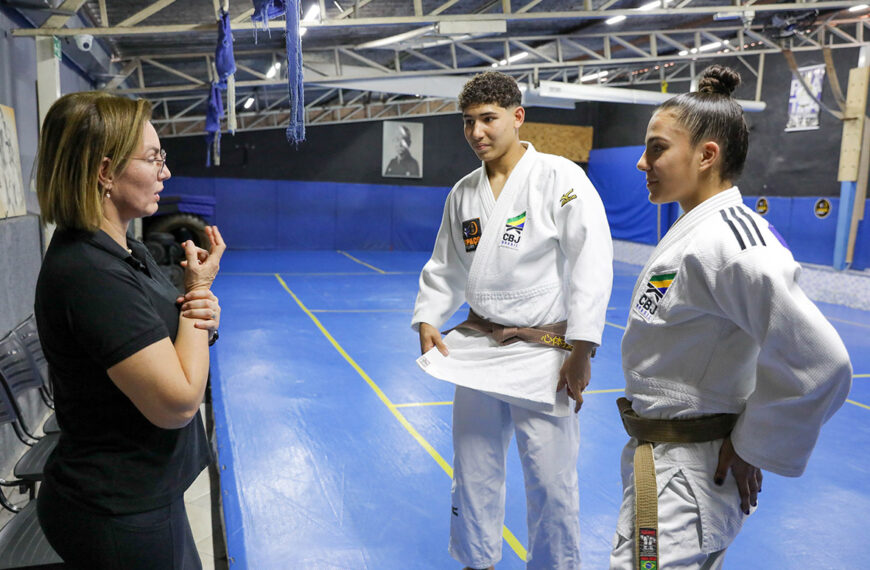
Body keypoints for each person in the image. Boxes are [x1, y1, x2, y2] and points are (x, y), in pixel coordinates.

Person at [610, 65, 852, 569]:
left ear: (706, 155)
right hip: (665, 464)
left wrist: (752, 445)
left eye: (656, 148)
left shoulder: (735, 242)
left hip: (689, 474)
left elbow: (823, 362)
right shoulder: (699, 234)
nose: (641, 162)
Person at [412, 71, 613, 569]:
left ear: (517, 117)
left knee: (551, 479)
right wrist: (428, 318)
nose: (477, 132)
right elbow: (446, 264)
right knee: (474, 469)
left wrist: (582, 350)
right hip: (478, 348)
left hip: (545, 354)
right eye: (468, 122)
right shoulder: (463, 193)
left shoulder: (560, 178)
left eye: (488, 119)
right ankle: (478, 561)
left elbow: (591, 258)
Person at [33, 91, 226, 569]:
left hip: (147, 492)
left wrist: (197, 304)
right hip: (117, 510)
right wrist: (198, 306)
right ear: (104, 172)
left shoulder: (125, 252)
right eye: (153, 158)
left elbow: (175, 328)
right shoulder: (91, 273)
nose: (165, 171)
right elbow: (179, 401)